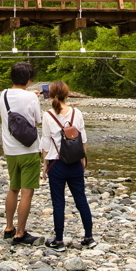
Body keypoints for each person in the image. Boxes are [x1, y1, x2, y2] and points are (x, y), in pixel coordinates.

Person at [41, 80, 94, 251]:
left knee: (58, 203)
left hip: (56, 163)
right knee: (81, 200)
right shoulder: (76, 113)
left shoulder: (48, 115)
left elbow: (46, 142)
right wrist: (83, 159)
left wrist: (44, 165)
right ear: (67, 94)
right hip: (75, 162)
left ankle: (59, 240)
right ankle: (89, 237)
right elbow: (83, 139)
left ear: (50, 95)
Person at [0, 61, 42, 245]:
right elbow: (37, 121)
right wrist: (34, 97)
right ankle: (20, 232)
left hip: (10, 150)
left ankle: (9, 227)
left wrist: (30, 95)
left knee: (13, 188)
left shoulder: (3, 95)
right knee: (27, 192)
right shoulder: (31, 98)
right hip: (29, 150)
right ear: (29, 80)